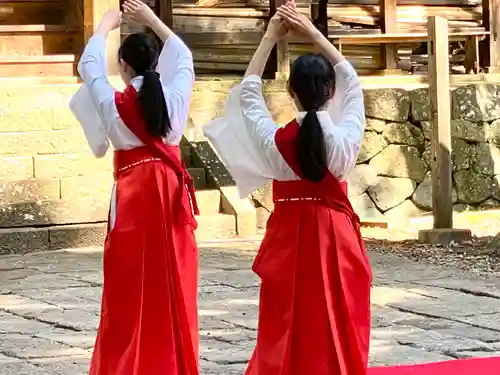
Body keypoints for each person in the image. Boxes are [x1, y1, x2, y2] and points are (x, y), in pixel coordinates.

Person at [203, 3, 372, 375]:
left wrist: (270, 37)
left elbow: (248, 93)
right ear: (331, 90)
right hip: (335, 236)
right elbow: (352, 78)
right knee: (339, 318)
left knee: (285, 321)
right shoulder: (344, 141)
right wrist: (311, 31)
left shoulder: (273, 142)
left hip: (289, 237)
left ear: (290, 90)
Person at [69, 1, 199, 374]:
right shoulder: (175, 95)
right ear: (157, 64)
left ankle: (128, 363)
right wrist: (152, 19)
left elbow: (90, 68)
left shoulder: (113, 102)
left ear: (124, 67)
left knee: (129, 283)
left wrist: (104, 27)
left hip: (133, 192)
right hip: (171, 189)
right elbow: (184, 56)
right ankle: (174, 361)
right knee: (175, 277)